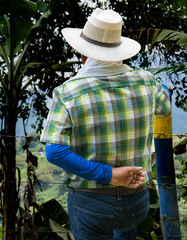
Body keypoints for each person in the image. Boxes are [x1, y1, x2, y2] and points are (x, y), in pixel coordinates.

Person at [40, 8, 172, 240]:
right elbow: (165, 106)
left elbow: (55, 153)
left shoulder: (67, 92)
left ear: (83, 54)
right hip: (136, 202)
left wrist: (109, 174)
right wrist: (162, 90)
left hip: (91, 206)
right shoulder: (147, 82)